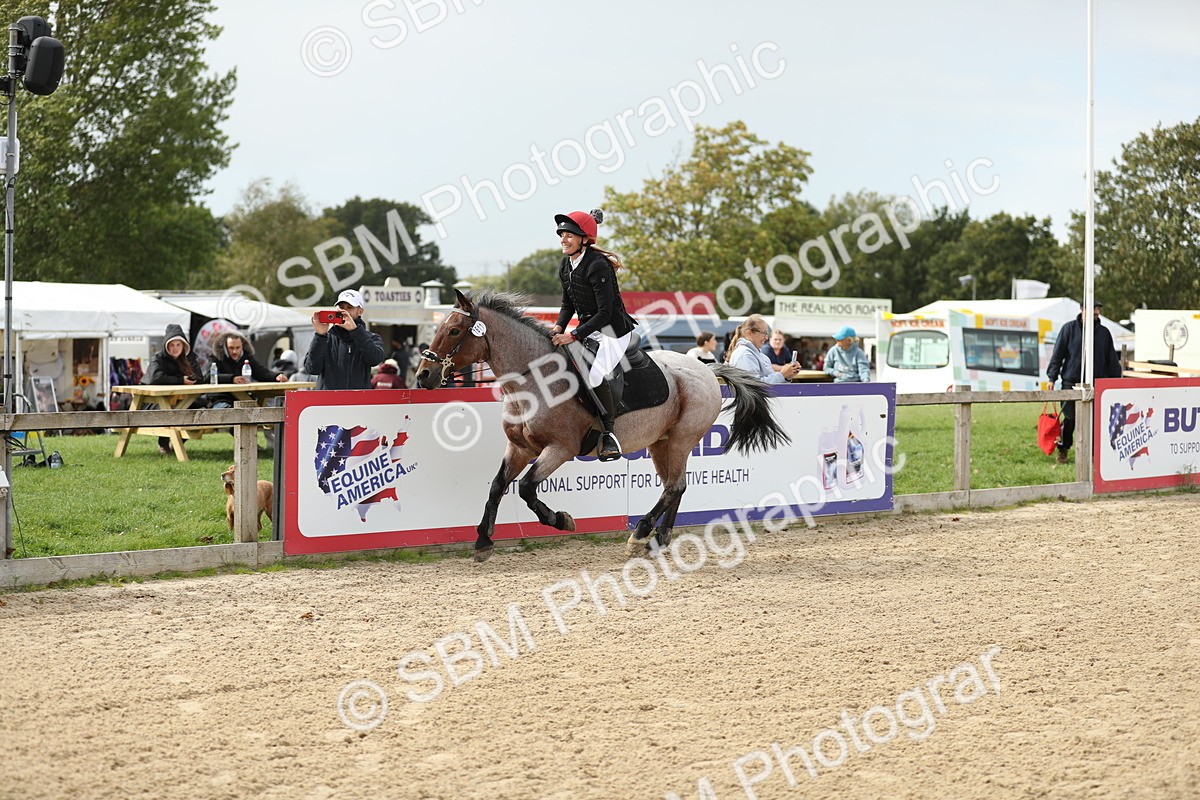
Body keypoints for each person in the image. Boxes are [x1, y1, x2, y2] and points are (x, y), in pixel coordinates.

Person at [549, 209, 637, 461]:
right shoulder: (566, 265)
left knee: (595, 375)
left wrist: (574, 335)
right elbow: (568, 305)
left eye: (569, 235)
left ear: (584, 239)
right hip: (590, 330)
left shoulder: (598, 265)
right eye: (561, 235)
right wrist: (557, 328)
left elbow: (606, 312)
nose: (564, 240)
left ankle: (609, 434)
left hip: (613, 331)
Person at [1046, 301, 1123, 464]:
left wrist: (1117, 382)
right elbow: (1057, 355)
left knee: (1096, 421)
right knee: (1069, 419)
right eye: (1093, 309)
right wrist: (1051, 377)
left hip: (1097, 384)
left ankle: (1095, 454)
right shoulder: (1068, 329)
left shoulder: (1104, 333)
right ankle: (1064, 449)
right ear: (1082, 310)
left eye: (1098, 309)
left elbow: (1112, 360)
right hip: (1070, 382)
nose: (1096, 312)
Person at [304, 289, 386, 390]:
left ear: (360, 311)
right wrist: (320, 335)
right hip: (328, 403)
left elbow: (375, 359)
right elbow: (312, 369)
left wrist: (355, 331)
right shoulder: (325, 338)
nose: (344, 311)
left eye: (350, 307)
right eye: (341, 307)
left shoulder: (372, 337)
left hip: (357, 401)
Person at [146, 324, 202, 455]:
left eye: (178, 345)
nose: (175, 348)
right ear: (167, 345)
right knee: (170, 411)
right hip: (156, 401)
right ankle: (164, 443)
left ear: (183, 345)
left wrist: (193, 379)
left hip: (184, 400)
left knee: (198, 409)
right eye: (172, 345)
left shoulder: (190, 358)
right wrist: (181, 380)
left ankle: (177, 443)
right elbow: (154, 378)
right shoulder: (158, 358)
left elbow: (200, 377)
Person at [208, 331, 288, 408]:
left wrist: (276, 376)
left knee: (257, 412)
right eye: (231, 348)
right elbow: (208, 376)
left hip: (243, 399)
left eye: (237, 347)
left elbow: (260, 372)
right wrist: (232, 378)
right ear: (225, 347)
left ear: (242, 346)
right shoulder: (216, 358)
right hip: (220, 399)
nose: (235, 351)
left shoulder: (247, 357)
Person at [725, 315, 801, 383]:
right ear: (749, 333)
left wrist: (787, 376)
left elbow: (771, 382)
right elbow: (754, 385)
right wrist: (782, 375)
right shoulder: (744, 354)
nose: (766, 337)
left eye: (766, 333)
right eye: (763, 333)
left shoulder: (757, 354)